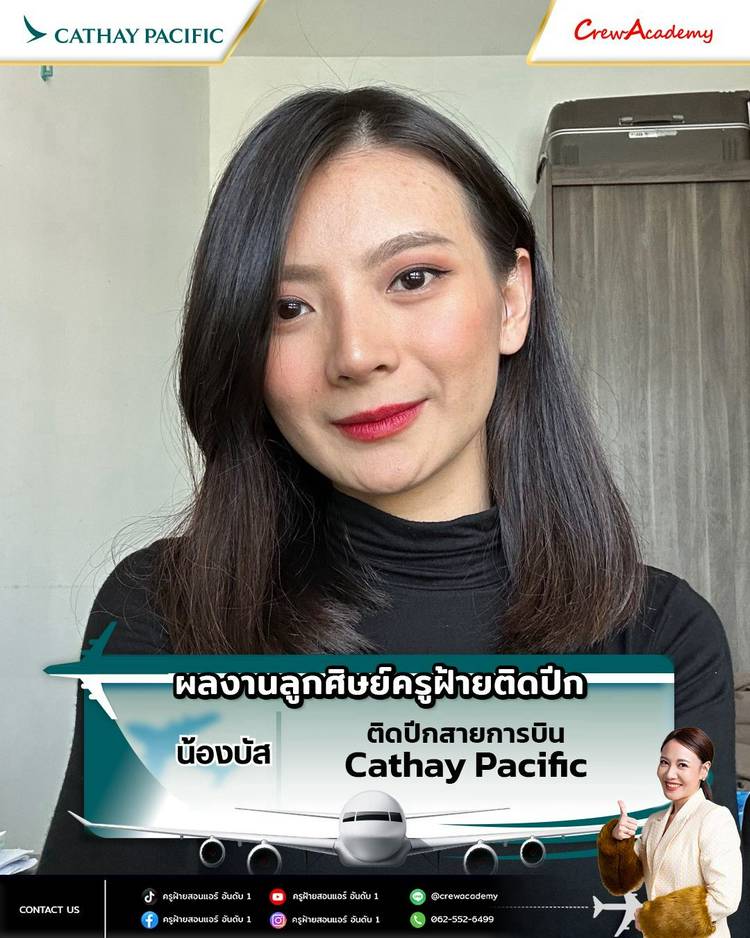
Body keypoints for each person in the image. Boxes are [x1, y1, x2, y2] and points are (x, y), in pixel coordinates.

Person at [38, 86, 736, 931]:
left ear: (512, 299)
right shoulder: (165, 613)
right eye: (288, 307)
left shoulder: (660, 639)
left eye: (413, 278)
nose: (357, 353)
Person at [598, 727, 742, 937]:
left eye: (682, 765)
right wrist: (617, 840)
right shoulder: (654, 822)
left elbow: (725, 898)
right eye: (664, 762)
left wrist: (654, 918)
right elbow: (623, 884)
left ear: (704, 770)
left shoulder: (715, 818)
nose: (669, 774)